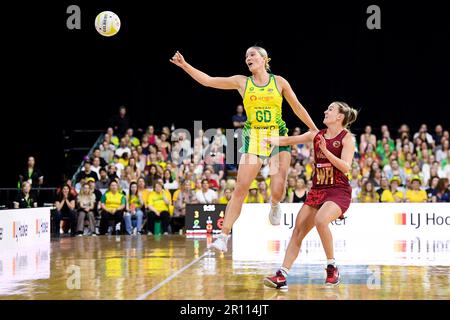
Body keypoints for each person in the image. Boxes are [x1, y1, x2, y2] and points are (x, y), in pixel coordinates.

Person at [170, 46, 318, 252]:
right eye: (246, 56)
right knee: (240, 188)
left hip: (278, 135)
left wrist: (313, 128)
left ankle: (275, 204)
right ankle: (223, 236)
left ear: (264, 59)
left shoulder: (279, 82)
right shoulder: (242, 82)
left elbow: (297, 107)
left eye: (252, 54)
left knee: (278, 188)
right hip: (254, 137)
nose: (248, 58)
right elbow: (208, 80)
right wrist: (185, 65)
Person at [264, 101, 357, 289]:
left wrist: (325, 151)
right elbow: (288, 140)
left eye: (330, 109)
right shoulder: (316, 134)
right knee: (298, 231)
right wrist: (268, 140)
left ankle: (332, 267)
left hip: (338, 190)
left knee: (321, 220)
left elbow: (346, 168)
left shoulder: (347, 138)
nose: (325, 110)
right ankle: (282, 275)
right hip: (317, 189)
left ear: (339, 117)